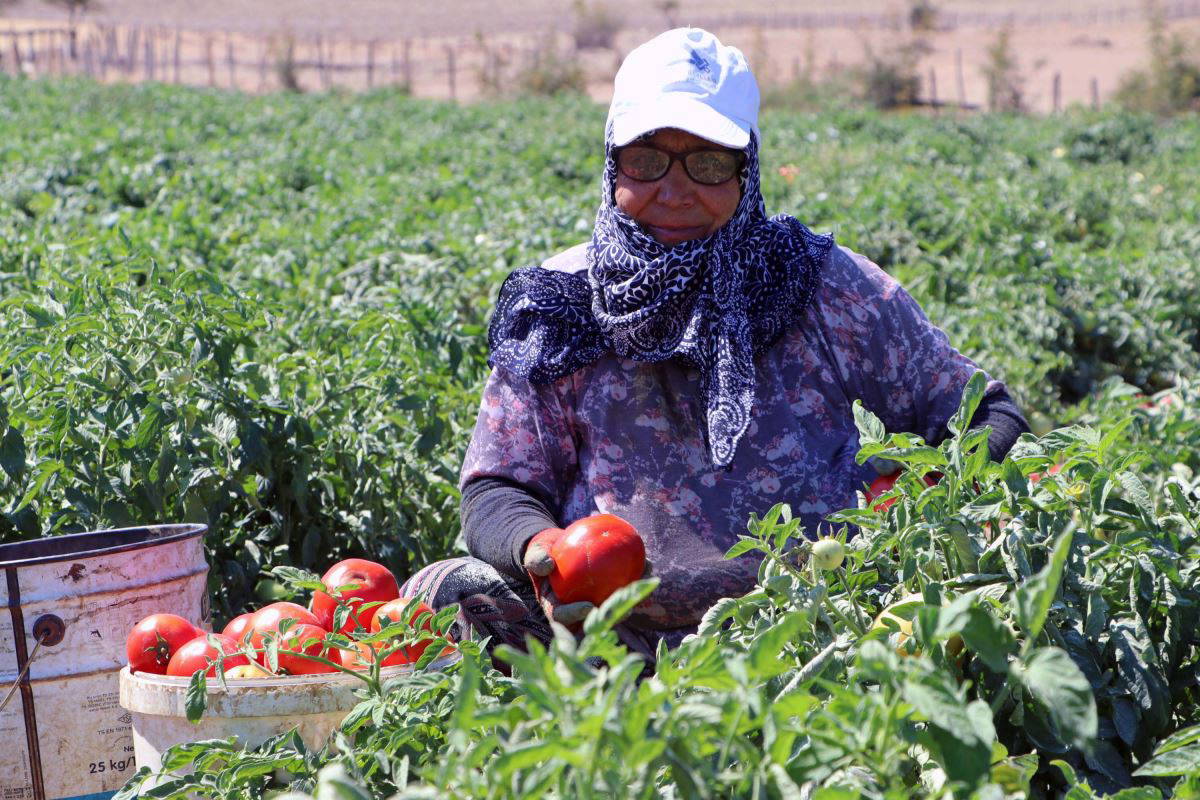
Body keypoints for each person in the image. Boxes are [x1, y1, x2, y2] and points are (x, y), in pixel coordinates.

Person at [399, 28, 1028, 664]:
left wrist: (925, 501)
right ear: (613, 161)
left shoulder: (824, 286)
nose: (674, 190)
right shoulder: (560, 305)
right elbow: (496, 489)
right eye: (647, 160)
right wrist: (540, 550)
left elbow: (990, 416)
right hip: (607, 640)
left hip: (822, 633)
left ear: (745, 169)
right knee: (445, 594)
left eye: (707, 161)